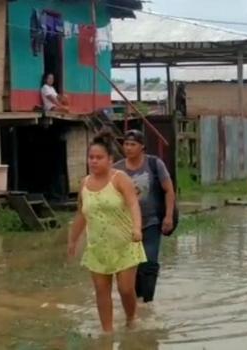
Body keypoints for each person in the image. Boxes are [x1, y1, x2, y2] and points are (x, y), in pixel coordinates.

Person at [67, 129, 146, 333]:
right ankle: (107, 333)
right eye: (91, 157)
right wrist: (72, 240)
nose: (94, 161)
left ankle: (131, 318)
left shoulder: (120, 179)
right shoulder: (84, 183)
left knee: (125, 289)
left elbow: (133, 205)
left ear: (110, 159)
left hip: (125, 244)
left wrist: (137, 228)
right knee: (101, 292)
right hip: (98, 247)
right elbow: (81, 214)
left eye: (99, 157)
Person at [113, 130, 176, 305]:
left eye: (133, 144)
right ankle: (135, 301)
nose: (128, 148)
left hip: (151, 222)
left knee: (149, 262)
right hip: (125, 225)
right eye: (126, 144)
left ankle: (147, 303)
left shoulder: (154, 164)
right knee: (132, 265)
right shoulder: (117, 169)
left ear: (142, 147)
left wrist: (169, 216)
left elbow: (168, 190)